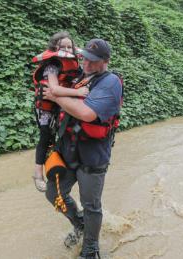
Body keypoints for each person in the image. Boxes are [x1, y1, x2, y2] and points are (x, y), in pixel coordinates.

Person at [43, 38, 123, 259]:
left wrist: (57, 97)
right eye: (84, 57)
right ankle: (80, 225)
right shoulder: (77, 77)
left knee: (91, 205)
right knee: (54, 193)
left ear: (105, 61)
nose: (86, 63)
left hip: (93, 155)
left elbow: (87, 113)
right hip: (67, 150)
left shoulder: (110, 82)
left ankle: (90, 248)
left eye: (93, 60)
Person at [32, 31, 88, 192]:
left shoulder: (75, 61)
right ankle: (37, 174)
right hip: (46, 106)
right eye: (62, 46)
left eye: (69, 46)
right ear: (55, 47)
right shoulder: (52, 65)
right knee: (45, 137)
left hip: (61, 105)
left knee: (64, 134)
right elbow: (54, 89)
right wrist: (78, 93)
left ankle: (60, 167)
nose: (66, 49)